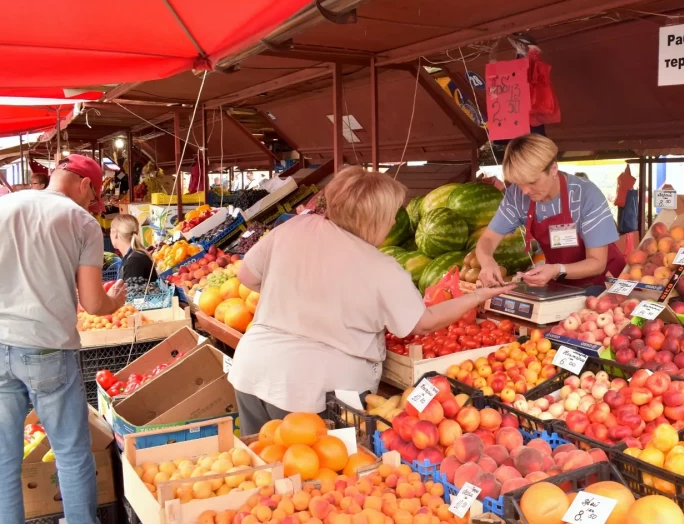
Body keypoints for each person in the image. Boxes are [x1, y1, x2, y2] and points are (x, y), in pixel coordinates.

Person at [228, 166, 513, 434]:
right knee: (314, 479)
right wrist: (478, 296)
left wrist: (295, 294)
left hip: (253, 369)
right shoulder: (380, 267)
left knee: (263, 467)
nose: (393, 221)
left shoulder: (294, 228)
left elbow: (247, 276)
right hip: (311, 391)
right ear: (374, 219)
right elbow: (424, 323)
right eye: (390, 214)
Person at [0, 155, 126, 524]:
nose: (92, 205)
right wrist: (114, 301)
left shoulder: (5, 205)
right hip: (47, 347)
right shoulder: (81, 222)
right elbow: (92, 302)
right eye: (94, 196)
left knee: (5, 456)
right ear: (85, 185)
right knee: (71, 454)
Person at [476, 134, 624, 290]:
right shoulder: (516, 196)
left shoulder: (585, 195)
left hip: (605, 283)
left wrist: (556, 270)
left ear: (553, 168)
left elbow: (597, 263)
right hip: (563, 283)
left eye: (532, 182)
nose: (525, 191)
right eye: (519, 183)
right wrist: (487, 262)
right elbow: (487, 239)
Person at [110, 214, 157, 284]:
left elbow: (132, 293)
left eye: (110, 231)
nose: (110, 235)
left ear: (116, 234)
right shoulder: (134, 256)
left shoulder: (133, 262)